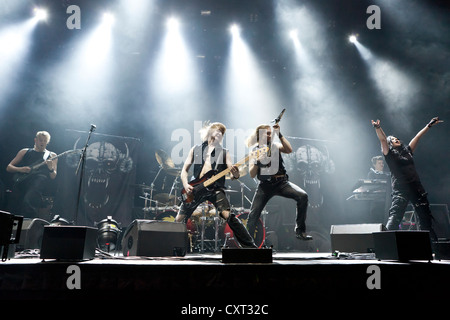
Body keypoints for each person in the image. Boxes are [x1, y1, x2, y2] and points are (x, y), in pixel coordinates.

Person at [175, 122, 256, 248]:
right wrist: (186, 185)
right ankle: (173, 246)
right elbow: (184, 170)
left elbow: (233, 174)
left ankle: (250, 246)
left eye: (222, 133)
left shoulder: (224, 152)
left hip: (215, 189)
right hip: (195, 189)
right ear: (210, 132)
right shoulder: (195, 149)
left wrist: (235, 173)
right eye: (217, 130)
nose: (220, 133)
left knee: (228, 216)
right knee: (178, 220)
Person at [371, 117, 442, 240]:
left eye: (396, 138)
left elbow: (417, 137)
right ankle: (386, 245)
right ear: (390, 144)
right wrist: (378, 127)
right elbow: (383, 139)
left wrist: (429, 125)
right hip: (401, 189)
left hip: (417, 188)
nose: (396, 139)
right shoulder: (389, 155)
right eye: (392, 139)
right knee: (395, 218)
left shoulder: (407, 151)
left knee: (425, 220)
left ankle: (434, 249)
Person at [246, 124, 312, 241]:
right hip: (265, 186)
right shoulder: (254, 151)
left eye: (270, 133)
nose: (269, 135)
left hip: (281, 183)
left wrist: (279, 134)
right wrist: (257, 161)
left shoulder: (275, 146)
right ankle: (247, 242)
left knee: (303, 196)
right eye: (266, 133)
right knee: (253, 215)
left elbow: (289, 149)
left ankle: (300, 231)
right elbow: (252, 174)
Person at [6, 131, 57, 219]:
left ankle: (27, 224)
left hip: (38, 182)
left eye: (45, 141)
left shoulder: (52, 155)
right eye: (41, 140)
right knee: (14, 205)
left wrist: (50, 168)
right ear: (35, 140)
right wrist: (20, 169)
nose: (42, 143)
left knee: (29, 202)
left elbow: (53, 176)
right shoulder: (25, 151)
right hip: (22, 182)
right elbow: (8, 167)